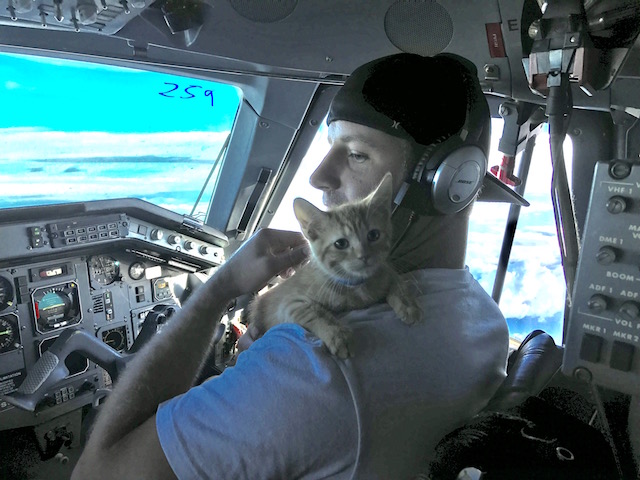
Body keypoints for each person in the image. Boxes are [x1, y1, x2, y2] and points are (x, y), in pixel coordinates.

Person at [71, 53, 511, 480]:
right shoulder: (485, 322)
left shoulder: (317, 366)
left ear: (449, 181)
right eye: (330, 147)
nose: (319, 176)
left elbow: (96, 472)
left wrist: (218, 290)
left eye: (357, 154)